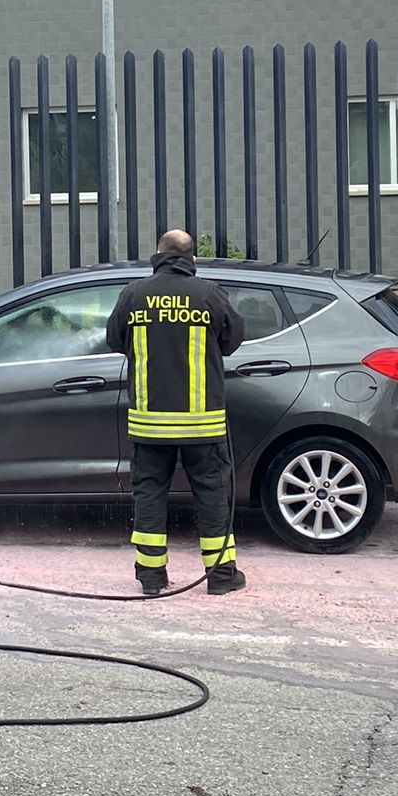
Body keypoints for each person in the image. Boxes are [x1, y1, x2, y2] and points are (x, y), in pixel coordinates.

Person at [104, 229, 247, 596]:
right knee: (213, 497)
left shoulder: (134, 295)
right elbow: (233, 340)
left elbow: (115, 339)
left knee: (149, 496)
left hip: (149, 424)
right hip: (204, 423)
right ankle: (221, 577)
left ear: (158, 254)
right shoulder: (209, 294)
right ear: (191, 259)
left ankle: (151, 579)